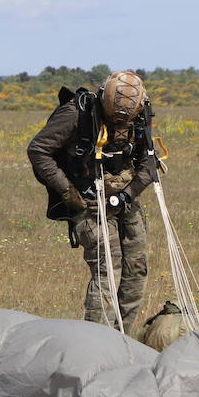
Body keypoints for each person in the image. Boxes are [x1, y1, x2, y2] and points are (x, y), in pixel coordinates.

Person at [26, 70, 155, 330]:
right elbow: (38, 149)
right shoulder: (75, 114)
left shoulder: (139, 114)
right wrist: (70, 194)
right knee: (107, 270)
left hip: (126, 199)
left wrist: (127, 195)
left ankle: (123, 341)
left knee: (136, 270)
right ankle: (96, 343)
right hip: (88, 203)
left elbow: (148, 163)